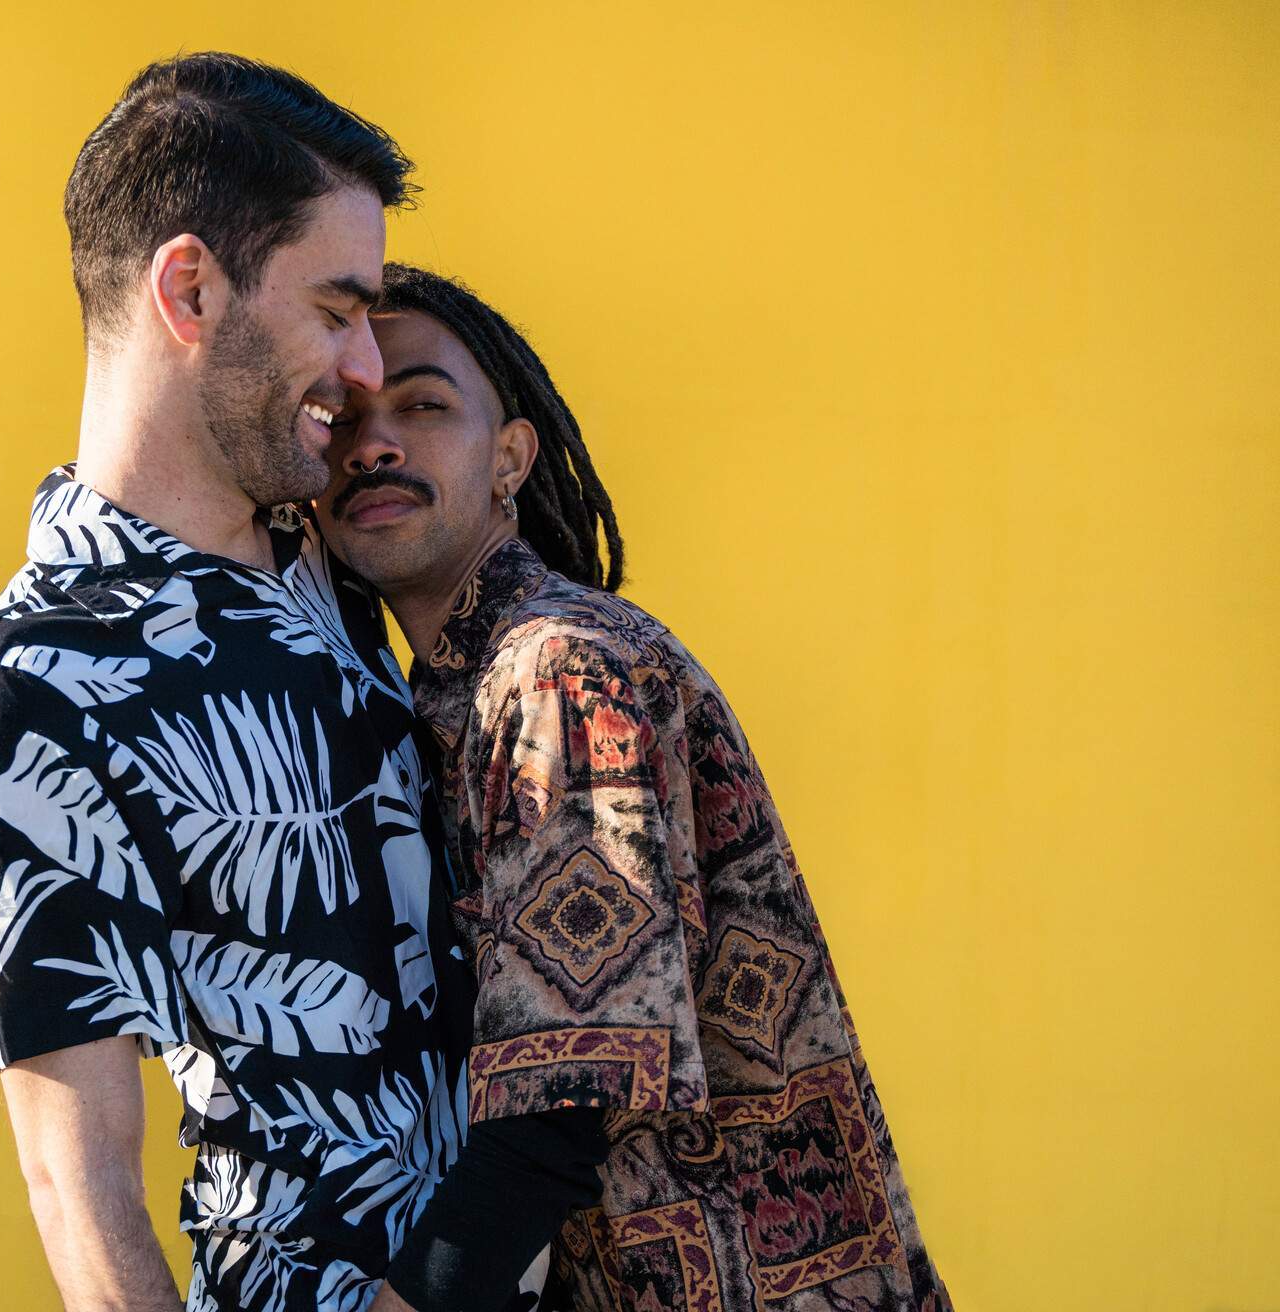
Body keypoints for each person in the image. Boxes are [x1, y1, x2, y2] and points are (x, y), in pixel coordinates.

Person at [0, 61, 470, 1312]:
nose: (368, 363)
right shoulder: (25, 695)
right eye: (337, 309)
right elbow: (82, 1187)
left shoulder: (344, 544)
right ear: (190, 287)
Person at [314, 264, 953, 1312]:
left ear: (510, 456)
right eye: (341, 414)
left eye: (423, 405)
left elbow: (560, 1100)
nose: (372, 443)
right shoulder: (454, 692)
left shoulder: (557, 670)